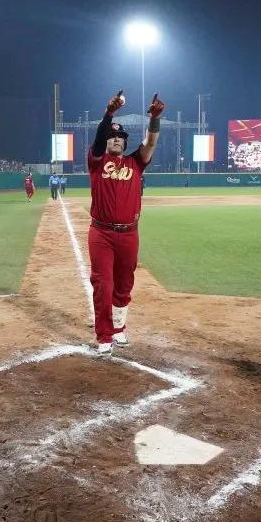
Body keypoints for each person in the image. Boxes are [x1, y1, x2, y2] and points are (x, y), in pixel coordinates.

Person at [87, 89, 166, 354]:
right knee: (103, 284)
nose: (117, 140)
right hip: (102, 233)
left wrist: (154, 119)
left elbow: (151, 143)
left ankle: (119, 328)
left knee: (124, 284)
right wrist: (109, 114)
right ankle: (104, 336)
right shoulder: (97, 161)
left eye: (121, 137)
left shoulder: (135, 163)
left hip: (129, 234)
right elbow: (99, 139)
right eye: (113, 137)